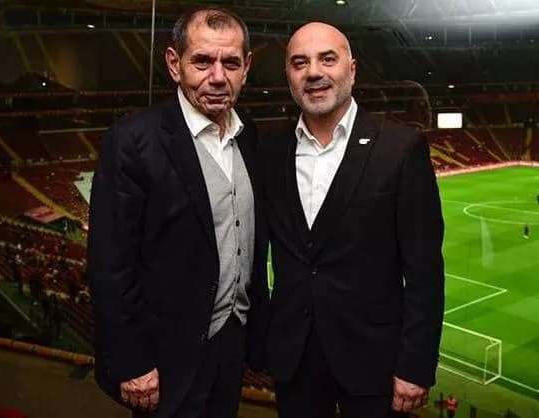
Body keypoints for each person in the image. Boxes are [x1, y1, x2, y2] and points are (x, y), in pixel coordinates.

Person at [87, 7, 269, 418]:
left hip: (231, 347)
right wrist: (132, 361)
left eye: (231, 63)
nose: (218, 77)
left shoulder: (249, 134)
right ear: (174, 64)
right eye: (202, 61)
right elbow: (110, 265)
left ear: (246, 68)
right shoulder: (133, 140)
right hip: (164, 357)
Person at [260, 22, 445, 418]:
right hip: (294, 361)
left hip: (375, 362)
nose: (314, 72)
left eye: (328, 59)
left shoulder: (401, 148)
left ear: (353, 69)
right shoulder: (270, 148)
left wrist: (415, 366)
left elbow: (425, 270)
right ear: (289, 75)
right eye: (300, 63)